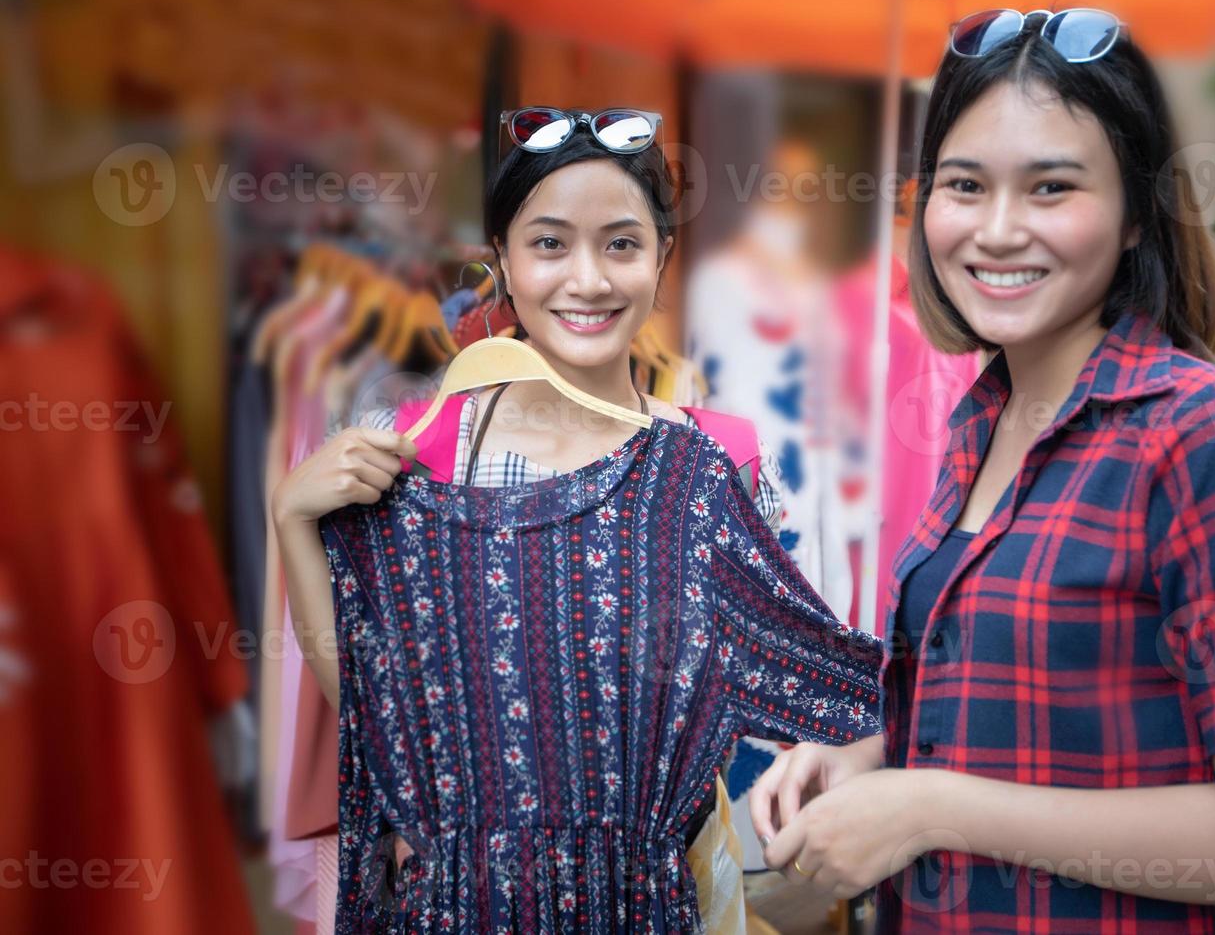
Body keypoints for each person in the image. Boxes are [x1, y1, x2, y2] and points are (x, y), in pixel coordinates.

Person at [750, 8, 1215, 934]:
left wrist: (927, 806)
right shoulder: (979, 424)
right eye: (965, 184)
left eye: (1051, 188)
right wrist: (875, 761)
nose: (997, 231)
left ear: (1132, 218)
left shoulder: (1207, 440)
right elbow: (1040, 720)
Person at [271, 108, 861, 933]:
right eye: (549, 244)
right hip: (460, 908)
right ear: (503, 265)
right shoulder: (420, 454)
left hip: (647, 903)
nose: (587, 280)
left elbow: (837, 692)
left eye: (621, 244)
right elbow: (380, 710)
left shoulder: (711, 468)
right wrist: (293, 518)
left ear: (662, 261)